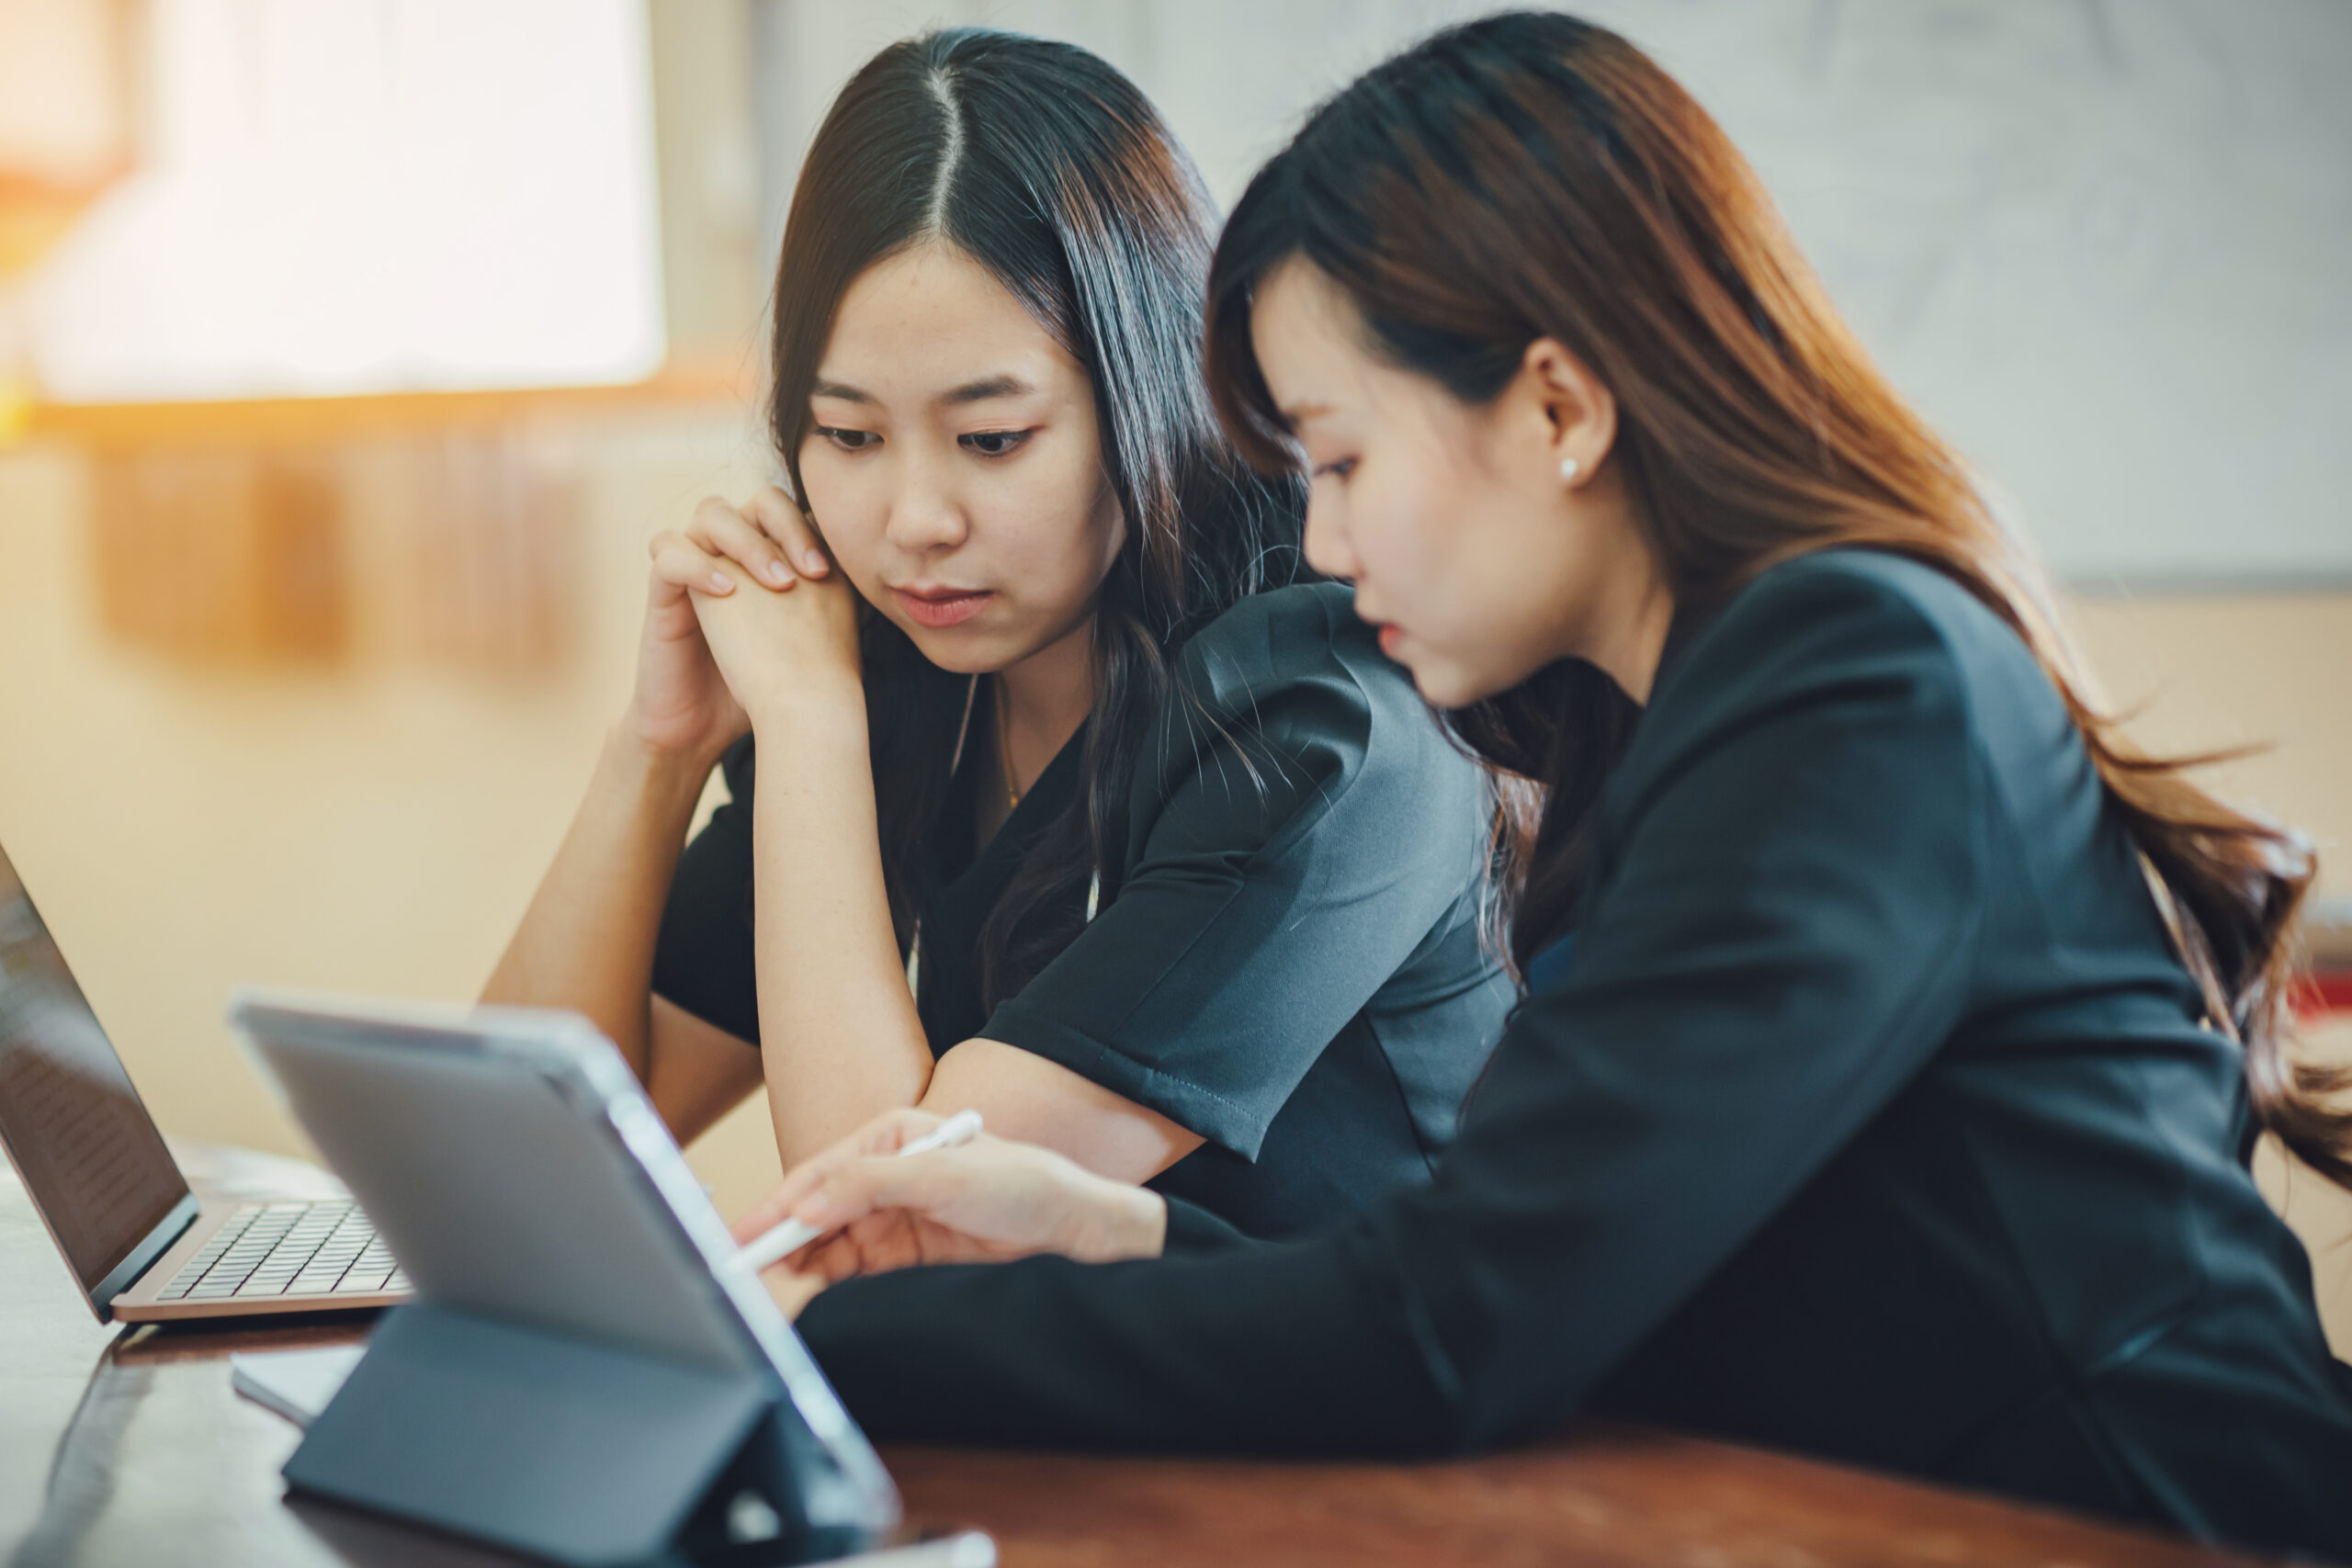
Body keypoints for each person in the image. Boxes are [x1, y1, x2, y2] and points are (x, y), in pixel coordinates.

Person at [737, 13, 2352, 1556]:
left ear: (1562, 410)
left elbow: (1456, 1331)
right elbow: (1527, 1288)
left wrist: (872, 1339)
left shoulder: (1855, 682)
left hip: (2172, 1523)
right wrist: (1101, 1230)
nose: (1321, 539)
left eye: (1348, 457)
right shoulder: (1656, 720)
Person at [482, 29, 1512, 1239]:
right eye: (851, 438)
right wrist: (655, 753)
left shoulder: (1322, 724)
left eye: (992, 440)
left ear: (1151, 400)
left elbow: (903, 1228)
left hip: (1341, 1422)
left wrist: (809, 729)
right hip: (1046, 1406)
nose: (914, 523)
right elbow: (504, 1161)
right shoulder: (908, 677)